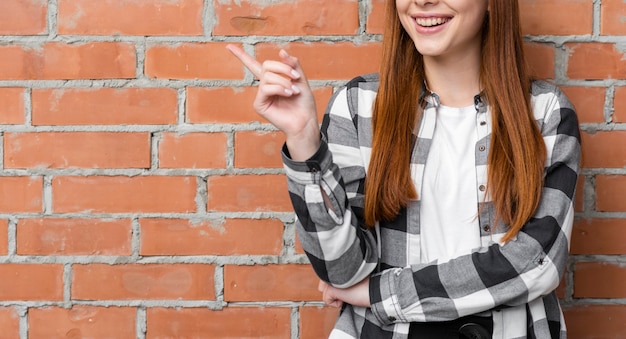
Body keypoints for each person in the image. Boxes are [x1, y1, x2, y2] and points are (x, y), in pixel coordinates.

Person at [227, 0, 581, 338]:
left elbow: (537, 264)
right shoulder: (358, 106)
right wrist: (304, 141)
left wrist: (380, 292)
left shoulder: (545, 113)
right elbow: (342, 270)